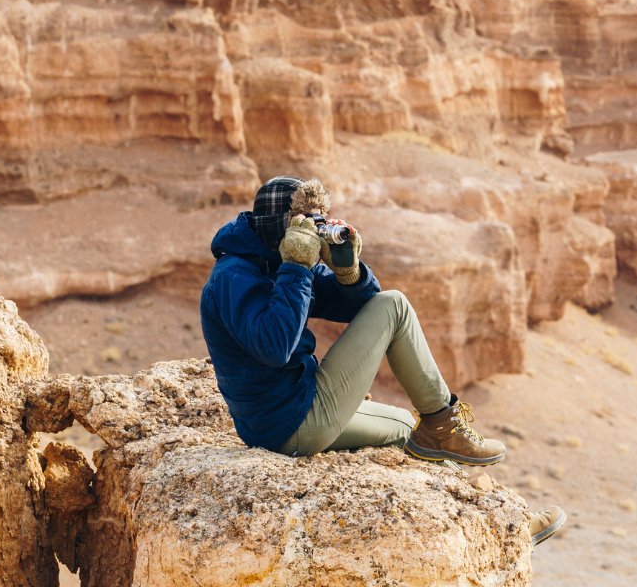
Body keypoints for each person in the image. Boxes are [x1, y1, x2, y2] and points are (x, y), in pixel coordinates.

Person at [200, 174, 566, 547]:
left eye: (317, 220)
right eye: (305, 221)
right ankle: (444, 420)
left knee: (411, 430)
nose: (313, 229)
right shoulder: (234, 276)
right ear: (282, 224)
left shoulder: (274, 255)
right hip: (292, 421)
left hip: (285, 417)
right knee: (395, 304)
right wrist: (296, 268)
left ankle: (505, 521)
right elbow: (275, 346)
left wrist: (348, 270)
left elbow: (359, 304)